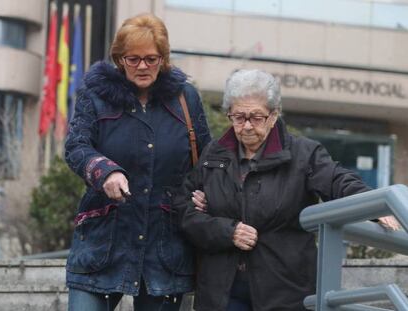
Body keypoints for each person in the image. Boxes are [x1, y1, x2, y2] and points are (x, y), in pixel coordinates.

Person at [173, 69, 399, 311]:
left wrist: (374, 205)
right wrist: (227, 231)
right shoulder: (213, 154)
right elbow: (183, 208)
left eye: (256, 117)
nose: (246, 126)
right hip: (221, 292)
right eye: (238, 117)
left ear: (273, 116)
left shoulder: (303, 154)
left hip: (283, 290)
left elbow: (337, 181)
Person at [64, 13, 211, 311]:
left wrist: (206, 191)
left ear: (163, 59)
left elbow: (206, 157)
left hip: (165, 246)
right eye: (133, 59)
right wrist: (105, 172)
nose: (143, 66)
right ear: (119, 59)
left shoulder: (186, 98)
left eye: (151, 59)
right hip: (103, 241)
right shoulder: (95, 96)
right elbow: (76, 146)